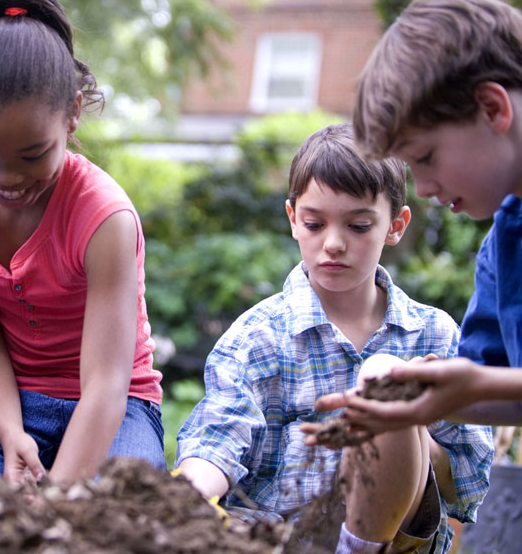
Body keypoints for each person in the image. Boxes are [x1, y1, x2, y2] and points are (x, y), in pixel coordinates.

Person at [175, 124, 493, 554]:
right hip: (277, 541)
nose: (334, 244)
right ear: (293, 220)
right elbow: (219, 435)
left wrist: (409, 423)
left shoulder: (433, 335)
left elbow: (468, 479)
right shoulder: (258, 334)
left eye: (359, 226)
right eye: (314, 223)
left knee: (384, 380)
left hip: (395, 544)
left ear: (395, 226)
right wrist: (183, 499)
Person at [0, 0, 164, 485]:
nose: (7, 178)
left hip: (118, 406)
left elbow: (107, 384)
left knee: (116, 511)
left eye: (33, 155)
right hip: (12, 402)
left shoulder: (103, 216)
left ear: (72, 113)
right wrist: (11, 436)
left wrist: (56, 496)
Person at [313, 0, 522, 434]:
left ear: (492, 108)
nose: (422, 188)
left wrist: (482, 383)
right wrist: (411, 396)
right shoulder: (503, 247)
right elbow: (493, 391)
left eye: (425, 158)